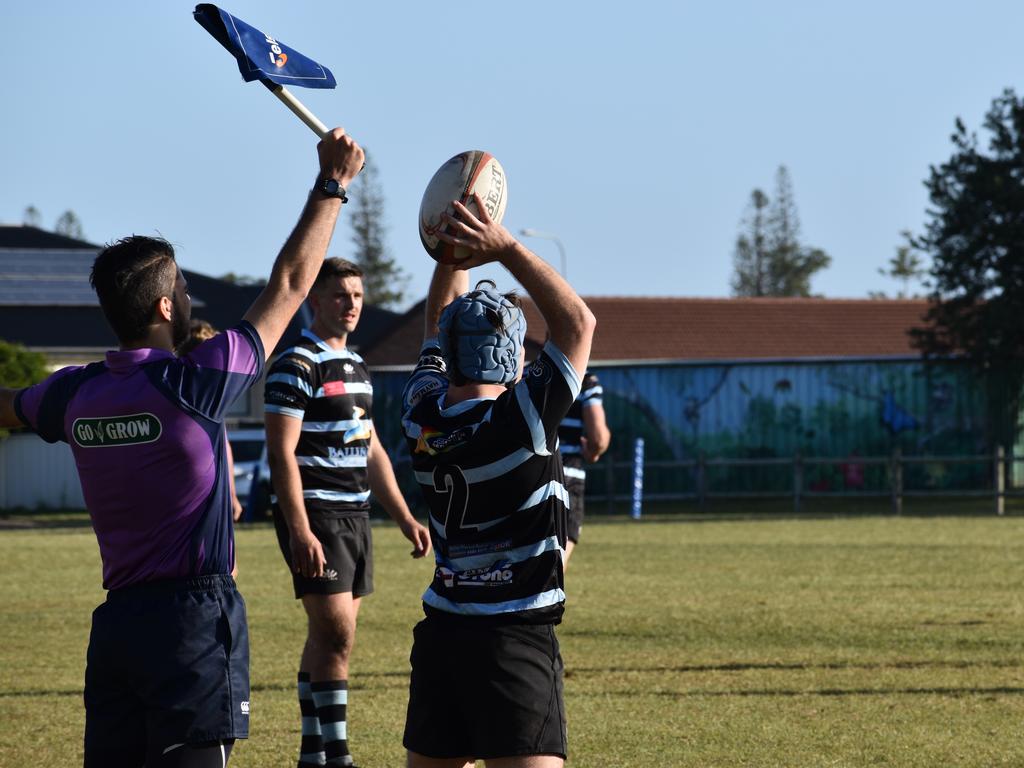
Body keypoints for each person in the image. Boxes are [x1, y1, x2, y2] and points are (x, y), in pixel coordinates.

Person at [0, 127, 365, 768]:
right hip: (192, 625)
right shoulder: (197, 382)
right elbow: (289, 284)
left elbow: (5, 405)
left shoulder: (72, 396)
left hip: (116, 627)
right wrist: (332, 186)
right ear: (169, 305)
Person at [399, 195, 595, 767]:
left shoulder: (421, 413)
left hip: (443, 636)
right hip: (514, 639)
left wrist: (450, 251)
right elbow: (579, 322)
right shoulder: (523, 420)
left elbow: (435, 329)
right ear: (513, 358)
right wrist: (504, 245)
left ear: (450, 356)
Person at [264, 257, 431, 768]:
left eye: (357, 295)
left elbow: (372, 445)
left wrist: (404, 516)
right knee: (337, 635)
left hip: (355, 517)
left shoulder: (357, 366)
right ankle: (337, 756)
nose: (352, 304)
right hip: (316, 517)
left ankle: (311, 755)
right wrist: (299, 529)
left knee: (327, 636)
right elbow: (280, 452)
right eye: (340, 295)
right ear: (315, 300)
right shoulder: (296, 364)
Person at [178, 319, 244, 524]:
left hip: (212, 499)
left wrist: (232, 494)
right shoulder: (173, 397)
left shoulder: (214, 405)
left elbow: (224, 444)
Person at [557, 370, 611, 568]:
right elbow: (597, 438)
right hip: (567, 473)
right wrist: (595, 450)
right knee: (556, 560)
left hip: (527, 472)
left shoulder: (528, 374)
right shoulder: (585, 381)